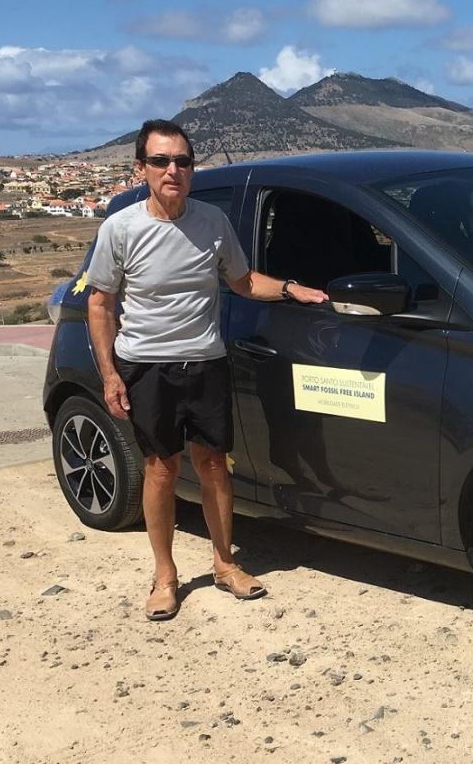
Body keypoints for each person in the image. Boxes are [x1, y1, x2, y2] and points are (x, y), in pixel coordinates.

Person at [86, 119, 327, 621]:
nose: (173, 170)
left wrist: (291, 289)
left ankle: (224, 564)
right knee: (161, 468)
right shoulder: (121, 228)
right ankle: (165, 577)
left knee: (215, 464)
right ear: (141, 169)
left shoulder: (212, 222)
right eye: (160, 161)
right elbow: (101, 304)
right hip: (147, 366)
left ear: (192, 168)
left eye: (182, 161)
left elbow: (241, 282)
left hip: (206, 361)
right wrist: (110, 374)